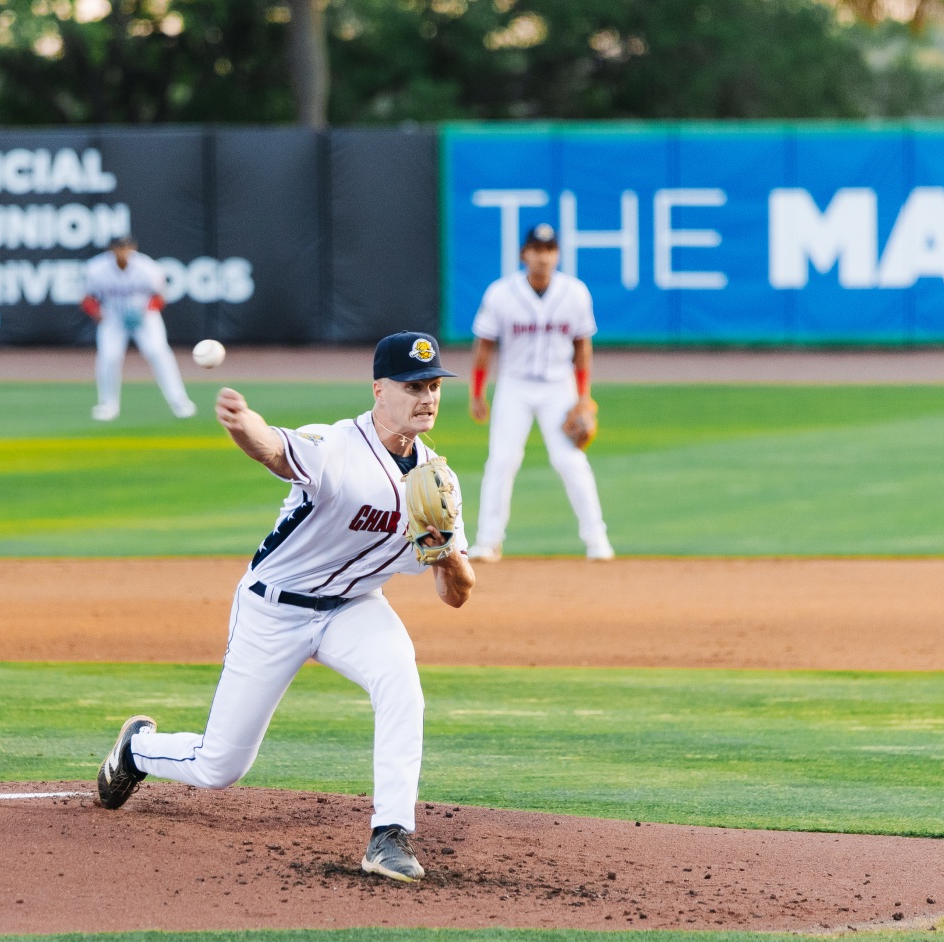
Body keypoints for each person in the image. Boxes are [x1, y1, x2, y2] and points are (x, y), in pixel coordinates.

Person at [93, 331, 478, 884]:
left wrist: (446, 554)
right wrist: (242, 424)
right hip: (274, 611)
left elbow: (456, 593)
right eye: (413, 386)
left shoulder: (438, 481)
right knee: (220, 766)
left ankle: (389, 834)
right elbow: (274, 449)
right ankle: (138, 750)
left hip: (353, 608)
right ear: (379, 390)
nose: (427, 397)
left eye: (434, 386)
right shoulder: (336, 445)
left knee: (401, 681)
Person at [467, 223, 613, 561]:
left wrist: (583, 396)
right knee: (502, 461)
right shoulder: (501, 293)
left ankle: (596, 539)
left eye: (549, 250)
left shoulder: (575, 293)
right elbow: (484, 345)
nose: (543, 257)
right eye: (536, 250)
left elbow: (582, 346)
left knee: (570, 461)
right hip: (514, 386)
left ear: (557, 254)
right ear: (524, 254)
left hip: (558, 386)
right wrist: (477, 393)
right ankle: (488, 540)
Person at [80, 236, 195, 422]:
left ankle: (179, 401)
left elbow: (160, 296)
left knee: (158, 352)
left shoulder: (147, 267)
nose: (123, 252)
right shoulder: (96, 268)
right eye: (119, 248)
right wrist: (97, 313)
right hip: (113, 316)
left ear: (133, 248)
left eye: (126, 248)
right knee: (108, 356)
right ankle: (107, 405)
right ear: (111, 250)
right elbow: (87, 298)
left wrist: (147, 311)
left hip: (144, 316)